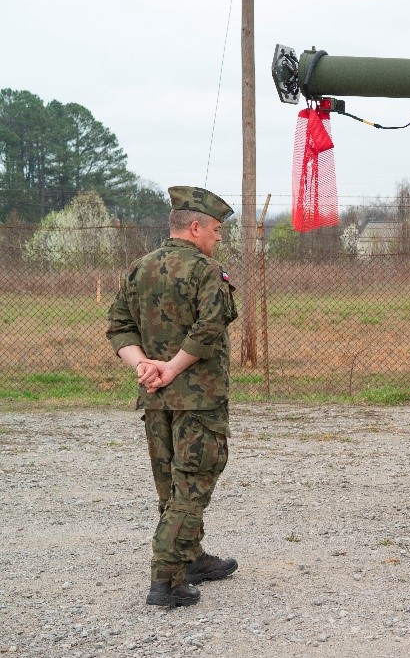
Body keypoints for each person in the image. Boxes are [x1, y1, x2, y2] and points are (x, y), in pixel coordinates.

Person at [106, 186, 241, 608]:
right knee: (192, 486)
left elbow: (118, 326)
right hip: (197, 399)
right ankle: (166, 579)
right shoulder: (206, 271)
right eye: (216, 230)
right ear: (196, 227)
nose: (219, 238)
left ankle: (193, 556)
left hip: (155, 397)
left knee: (171, 485)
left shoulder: (139, 269)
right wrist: (169, 368)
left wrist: (143, 365)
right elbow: (209, 326)